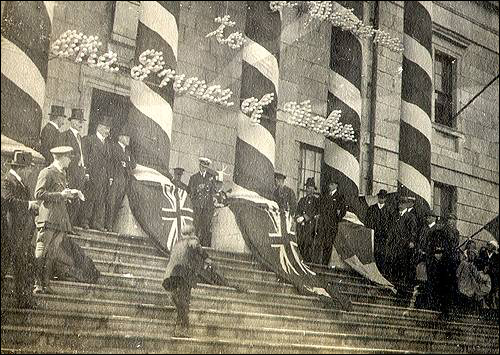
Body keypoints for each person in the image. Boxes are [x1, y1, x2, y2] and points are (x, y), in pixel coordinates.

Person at [33, 146, 81, 294]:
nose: (69, 160)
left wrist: (71, 195)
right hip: (48, 217)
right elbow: (38, 193)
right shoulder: (47, 172)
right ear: (59, 158)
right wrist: (61, 195)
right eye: (68, 158)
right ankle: (37, 284)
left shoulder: (62, 174)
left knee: (52, 253)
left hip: (60, 218)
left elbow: (60, 194)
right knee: (41, 250)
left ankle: (46, 284)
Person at [1, 151, 39, 308]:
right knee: (6, 266)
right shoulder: (6, 181)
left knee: (21, 265)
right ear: (21, 168)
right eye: (29, 168)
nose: (30, 171)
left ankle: (23, 300)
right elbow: (8, 201)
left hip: (21, 232)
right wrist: (29, 204)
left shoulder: (21, 182)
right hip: (10, 231)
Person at [162, 224, 212, 338]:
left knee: (179, 301)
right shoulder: (192, 241)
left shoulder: (177, 244)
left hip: (171, 275)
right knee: (184, 301)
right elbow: (197, 247)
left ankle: (179, 327)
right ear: (192, 233)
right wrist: (207, 258)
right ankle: (183, 328)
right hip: (184, 274)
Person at [81, 116, 112, 231]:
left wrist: (109, 176)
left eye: (109, 129)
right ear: (99, 127)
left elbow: (109, 162)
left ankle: (97, 223)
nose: (108, 131)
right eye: (106, 128)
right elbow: (85, 157)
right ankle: (85, 221)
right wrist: (86, 172)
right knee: (89, 198)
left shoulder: (108, 144)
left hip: (103, 177)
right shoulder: (89, 140)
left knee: (100, 199)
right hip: (92, 175)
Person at [60, 108, 87, 227]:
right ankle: (65, 225)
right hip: (71, 172)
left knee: (77, 199)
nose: (80, 123)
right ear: (71, 121)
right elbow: (64, 154)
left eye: (82, 121)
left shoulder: (80, 138)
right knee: (69, 199)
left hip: (80, 172)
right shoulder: (65, 135)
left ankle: (70, 225)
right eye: (78, 120)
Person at [384, 196, 419, 288]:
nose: (400, 205)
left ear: (406, 205)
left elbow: (413, 231)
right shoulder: (394, 215)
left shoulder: (410, 217)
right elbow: (390, 228)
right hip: (394, 243)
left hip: (404, 244)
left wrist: (411, 241)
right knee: (393, 262)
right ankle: (392, 282)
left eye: (402, 203)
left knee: (402, 264)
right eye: (399, 203)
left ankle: (401, 284)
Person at [106, 131, 136, 231]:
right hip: (115, 178)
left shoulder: (127, 151)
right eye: (126, 137)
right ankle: (108, 225)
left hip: (124, 180)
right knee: (111, 202)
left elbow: (133, 164)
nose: (128, 139)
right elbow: (111, 162)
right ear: (120, 137)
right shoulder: (114, 147)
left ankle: (112, 224)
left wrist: (125, 163)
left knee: (118, 203)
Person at [188, 157, 215, 247]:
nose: (204, 169)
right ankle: (193, 245)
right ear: (200, 166)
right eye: (203, 167)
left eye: (206, 168)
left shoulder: (210, 178)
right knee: (196, 225)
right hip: (197, 207)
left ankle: (204, 246)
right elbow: (190, 192)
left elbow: (212, 194)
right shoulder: (194, 178)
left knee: (205, 227)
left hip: (206, 207)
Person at [318, 180, 347, 265]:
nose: (329, 186)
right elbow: (322, 208)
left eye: (332, 184)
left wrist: (338, 215)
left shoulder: (340, 197)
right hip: (324, 223)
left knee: (329, 244)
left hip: (332, 224)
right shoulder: (326, 196)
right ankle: (323, 262)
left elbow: (343, 211)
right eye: (329, 184)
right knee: (323, 243)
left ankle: (327, 263)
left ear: (336, 186)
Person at [365, 189, 393, 271]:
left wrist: (387, 233)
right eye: (380, 197)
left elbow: (391, 224)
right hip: (373, 234)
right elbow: (367, 221)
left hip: (384, 236)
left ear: (386, 199)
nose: (381, 199)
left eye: (383, 198)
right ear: (378, 197)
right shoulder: (372, 208)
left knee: (382, 254)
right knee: (373, 252)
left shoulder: (389, 210)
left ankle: (381, 271)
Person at [296, 178, 320, 263]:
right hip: (301, 227)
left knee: (308, 244)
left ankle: (308, 262)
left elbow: (315, 212)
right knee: (300, 243)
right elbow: (297, 210)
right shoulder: (302, 200)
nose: (309, 190)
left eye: (311, 188)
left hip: (310, 227)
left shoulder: (316, 201)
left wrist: (305, 217)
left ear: (313, 189)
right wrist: (298, 217)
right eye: (307, 188)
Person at [477, 240, 499, 309]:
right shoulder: (482, 253)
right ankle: (483, 302)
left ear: (494, 247)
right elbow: (478, 263)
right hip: (483, 273)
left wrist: (490, 269)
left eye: (491, 245)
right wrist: (484, 267)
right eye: (489, 245)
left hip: (492, 273)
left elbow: (497, 266)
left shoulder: (496, 256)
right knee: (482, 282)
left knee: (494, 280)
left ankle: (493, 301)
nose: (489, 246)